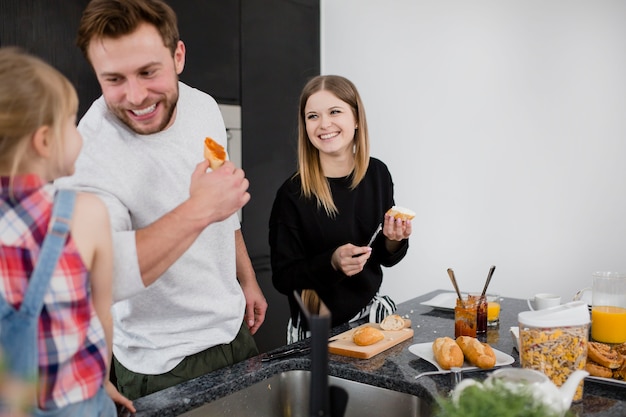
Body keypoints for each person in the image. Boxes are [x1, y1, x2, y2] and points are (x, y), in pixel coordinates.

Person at [56, 0, 267, 400]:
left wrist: (247, 278)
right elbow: (104, 274)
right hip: (160, 361)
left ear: (178, 56)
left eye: (148, 72)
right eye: (114, 79)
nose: (135, 96)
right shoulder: (92, 151)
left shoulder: (202, 106)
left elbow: (222, 200)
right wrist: (197, 209)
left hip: (232, 331)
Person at [0, 47, 134, 416]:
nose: (80, 134)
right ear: (44, 142)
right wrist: (101, 381)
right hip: (77, 403)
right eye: (71, 123)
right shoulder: (83, 213)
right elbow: (102, 314)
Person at [269, 75, 413, 343]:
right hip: (316, 328)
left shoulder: (378, 174)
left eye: (335, 111)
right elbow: (283, 277)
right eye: (313, 116)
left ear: (356, 119)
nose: (324, 124)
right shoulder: (292, 194)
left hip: (372, 318)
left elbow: (382, 256)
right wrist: (332, 262)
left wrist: (394, 241)